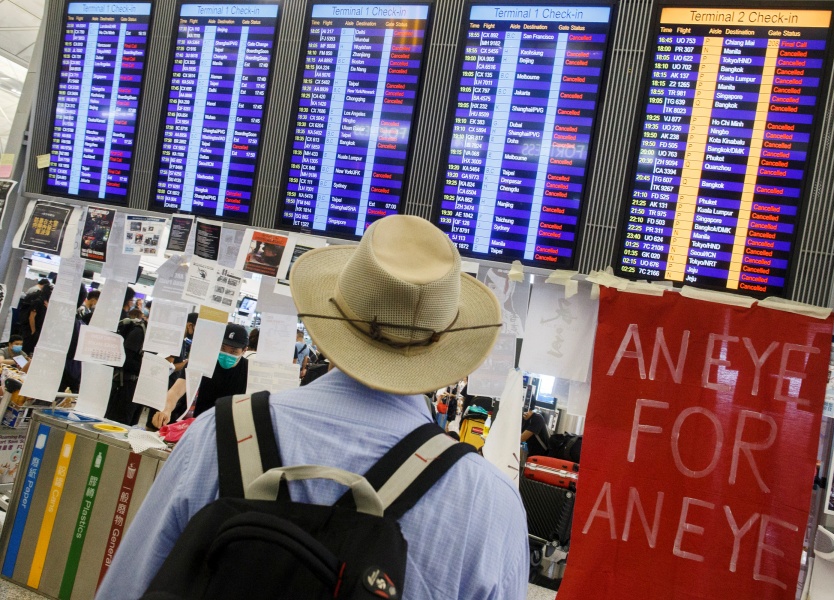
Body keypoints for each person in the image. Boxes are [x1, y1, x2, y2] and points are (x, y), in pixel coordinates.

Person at [98, 215, 528, 599]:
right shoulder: (488, 500)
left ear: (333, 317)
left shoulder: (218, 434)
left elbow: (128, 586)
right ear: (446, 342)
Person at [152, 323, 249, 427]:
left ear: (244, 350)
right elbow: (176, 391)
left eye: (233, 351)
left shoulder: (248, 371)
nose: (226, 353)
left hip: (225, 427)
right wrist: (166, 409)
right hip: (193, 424)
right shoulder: (201, 360)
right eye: (222, 348)